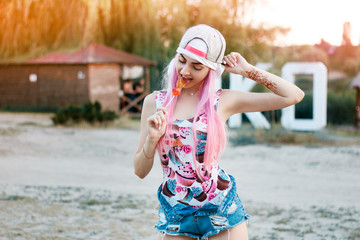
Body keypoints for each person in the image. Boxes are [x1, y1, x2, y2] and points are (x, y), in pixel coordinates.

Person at [134, 24, 304, 240]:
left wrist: (247, 70)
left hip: (221, 210)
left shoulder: (221, 101)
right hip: (176, 213)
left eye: (197, 66)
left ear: (211, 70)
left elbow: (293, 95)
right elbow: (139, 171)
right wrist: (152, 139)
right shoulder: (155, 103)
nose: (185, 71)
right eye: (182, 60)